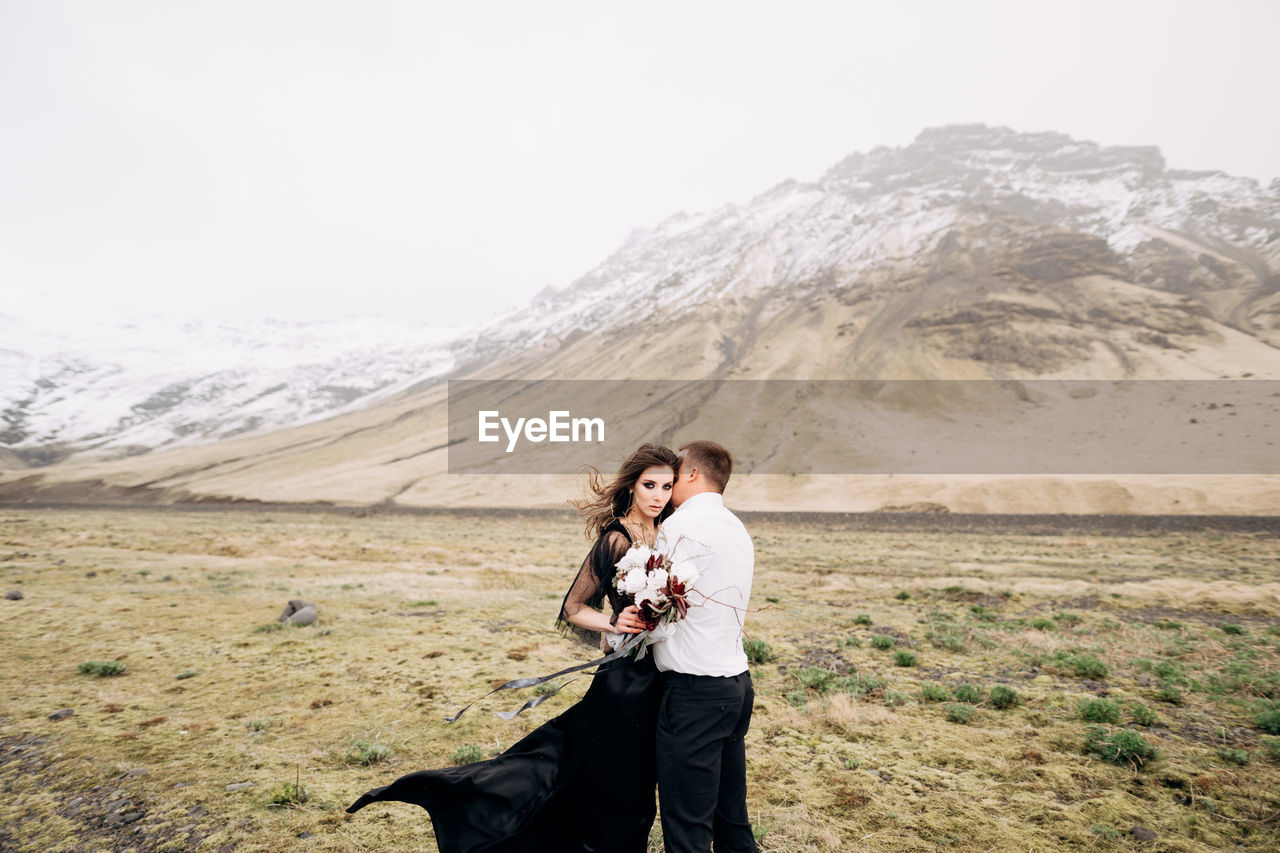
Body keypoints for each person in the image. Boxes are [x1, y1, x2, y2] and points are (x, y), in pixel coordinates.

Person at [346, 442, 680, 853]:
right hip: (626, 681)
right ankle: (463, 800)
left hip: (663, 672)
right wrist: (615, 620)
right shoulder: (616, 539)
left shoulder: (668, 532)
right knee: (600, 777)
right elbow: (573, 608)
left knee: (627, 779)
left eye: (668, 486)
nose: (658, 495)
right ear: (631, 485)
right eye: (650, 484)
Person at [652, 440, 758, 853]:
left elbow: (660, 611)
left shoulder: (680, 526)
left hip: (694, 691)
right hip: (736, 684)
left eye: (674, 473)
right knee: (731, 819)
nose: (667, 484)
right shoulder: (736, 527)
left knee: (687, 827)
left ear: (692, 474)